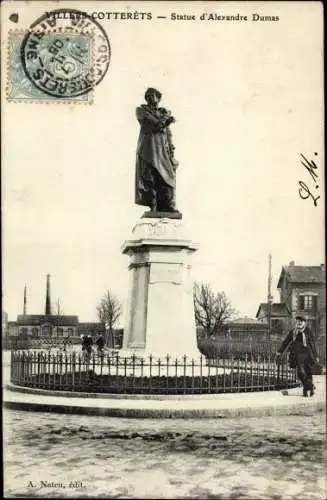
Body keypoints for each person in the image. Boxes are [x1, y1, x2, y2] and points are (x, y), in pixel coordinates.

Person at [135, 87, 179, 212]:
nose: (149, 97)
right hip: (148, 149)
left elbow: (168, 134)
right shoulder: (141, 110)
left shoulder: (162, 113)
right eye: (147, 95)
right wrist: (166, 118)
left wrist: (172, 154)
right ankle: (153, 206)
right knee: (150, 177)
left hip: (162, 151)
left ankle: (167, 206)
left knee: (167, 176)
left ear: (158, 98)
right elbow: (154, 124)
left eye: (152, 95)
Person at [276, 315, 319, 397]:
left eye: (301, 321)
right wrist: (280, 351)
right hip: (297, 356)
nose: (299, 323)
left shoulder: (308, 331)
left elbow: (312, 344)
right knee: (301, 373)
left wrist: (316, 355)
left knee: (308, 372)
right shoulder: (293, 331)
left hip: (307, 355)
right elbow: (286, 341)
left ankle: (306, 390)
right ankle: (311, 386)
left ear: (304, 323)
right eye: (298, 321)